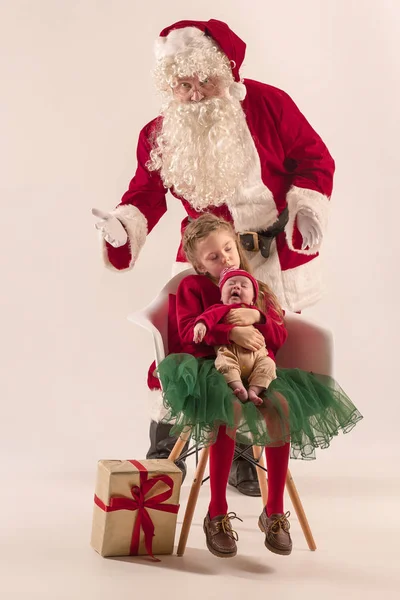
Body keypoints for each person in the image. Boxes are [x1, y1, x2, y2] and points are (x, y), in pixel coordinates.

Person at [92, 19, 336, 495]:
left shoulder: (269, 106)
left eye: (205, 79)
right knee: (184, 348)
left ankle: (247, 456)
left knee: (259, 352)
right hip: (202, 260)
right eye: (183, 84)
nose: (196, 93)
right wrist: (121, 228)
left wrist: (306, 210)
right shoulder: (160, 133)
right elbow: (144, 196)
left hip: (266, 261)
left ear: (225, 72)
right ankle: (166, 449)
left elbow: (314, 159)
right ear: (171, 85)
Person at [156, 214, 362, 559]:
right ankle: (217, 511)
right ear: (197, 263)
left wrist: (259, 318)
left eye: (228, 249)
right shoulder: (192, 288)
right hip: (211, 369)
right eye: (213, 257)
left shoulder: (256, 287)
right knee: (229, 407)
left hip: (258, 368)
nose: (225, 260)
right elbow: (189, 336)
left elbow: (279, 338)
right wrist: (229, 332)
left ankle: (274, 512)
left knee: (280, 407)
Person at [193, 266, 277, 405]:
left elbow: (276, 333)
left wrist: (259, 317)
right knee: (224, 362)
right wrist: (201, 325)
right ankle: (238, 386)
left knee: (269, 364)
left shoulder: (255, 312)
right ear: (221, 295)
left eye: (244, 286)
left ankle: (254, 390)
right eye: (231, 284)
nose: (237, 287)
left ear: (253, 300)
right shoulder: (219, 309)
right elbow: (207, 317)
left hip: (257, 356)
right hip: (230, 352)